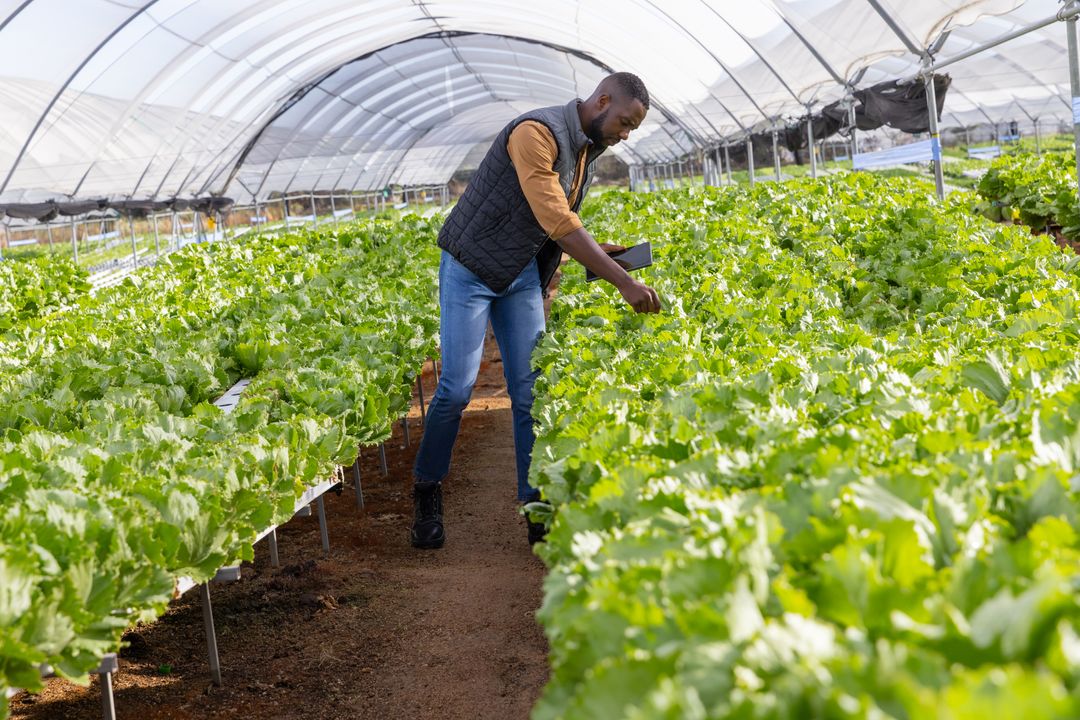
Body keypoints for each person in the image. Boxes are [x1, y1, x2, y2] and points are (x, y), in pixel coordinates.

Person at [410, 72, 661, 549]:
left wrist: (601, 253)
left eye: (633, 129)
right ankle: (427, 488)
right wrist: (622, 280)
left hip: (520, 274)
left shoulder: (586, 146)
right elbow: (555, 218)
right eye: (625, 122)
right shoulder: (535, 133)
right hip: (470, 268)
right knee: (457, 386)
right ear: (602, 100)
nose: (626, 134)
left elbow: (547, 222)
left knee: (530, 391)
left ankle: (535, 503)